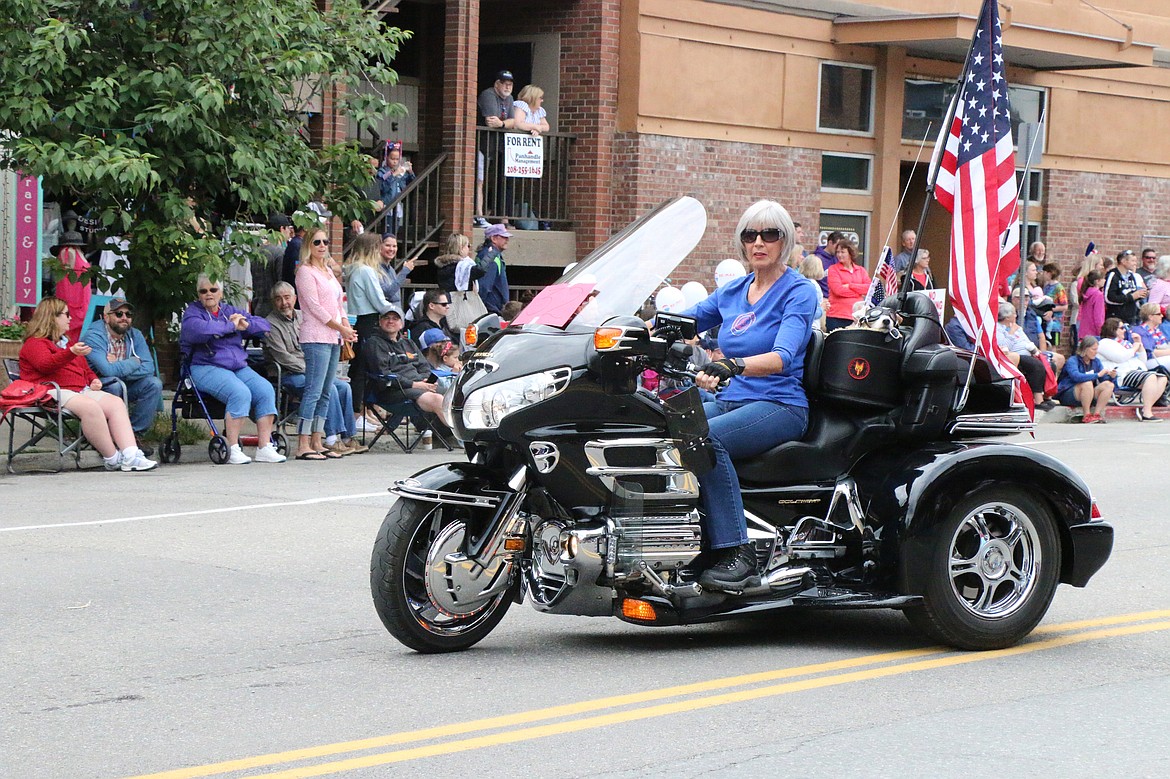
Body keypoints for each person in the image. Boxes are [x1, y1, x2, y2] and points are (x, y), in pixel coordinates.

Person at [678, 200, 818, 592]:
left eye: (769, 234)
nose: (759, 242)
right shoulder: (734, 290)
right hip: (735, 397)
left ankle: (737, 553)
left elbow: (782, 356)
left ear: (785, 241)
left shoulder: (798, 291)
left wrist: (731, 365)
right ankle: (688, 544)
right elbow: (681, 321)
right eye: (750, 235)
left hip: (780, 403)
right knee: (663, 421)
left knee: (705, 439)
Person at [18, 297, 157, 471]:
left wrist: (93, 379)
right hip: (50, 390)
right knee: (91, 408)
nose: (70, 318)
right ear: (52, 317)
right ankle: (112, 457)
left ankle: (131, 455)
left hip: (77, 390)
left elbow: (84, 367)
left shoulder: (65, 342)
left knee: (115, 403)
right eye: (66, 314)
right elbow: (46, 365)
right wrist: (70, 352)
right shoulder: (35, 343)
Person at [180, 274, 286, 464]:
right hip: (204, 366)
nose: (208, 294)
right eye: (203, 291)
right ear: (198, 294)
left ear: (220, 293)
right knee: (240, 393)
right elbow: (200, 330)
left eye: (213, 290)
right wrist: (230, 326)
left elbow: (264, 325)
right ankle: (232, 447)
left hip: (236, 366)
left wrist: (246, 324)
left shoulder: (229, 310)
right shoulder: (192, 313)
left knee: (265, 389)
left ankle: (264, 447)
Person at [264, 283, 367, 456]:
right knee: (331, 389)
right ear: (273, 302)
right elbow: (282, 357)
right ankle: (332, 439)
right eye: (278, 299)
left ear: (295, 298)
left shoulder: (303, 316)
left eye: (287, 298)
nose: (284, 303)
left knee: (344, 387)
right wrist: (313, 369)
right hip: (289, 373)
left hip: (312, 369)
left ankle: (348, 437)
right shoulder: (270, 324)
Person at [294, 228, 357, 460]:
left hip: (332, 336)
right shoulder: (304, 271)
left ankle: (317, 438)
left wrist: (344, 326)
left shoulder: (328, 271)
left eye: (325, 242)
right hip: (315, 335)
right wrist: (341, 327)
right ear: (308, 245)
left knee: (326, 391)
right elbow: (313, 306)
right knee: (313, 389)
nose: (322, 246)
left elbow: (339, 302)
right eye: (316, 242)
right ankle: (302, 442)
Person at [81, 297, 163, 452]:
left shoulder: (135, 335)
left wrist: (117, 366)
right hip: (97, 386)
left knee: (154, 384)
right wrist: (133, 362)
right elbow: (107, 371)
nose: (124, 318)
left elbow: (149, 367)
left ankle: (133, 434)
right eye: (118, 314)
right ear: (106, 317)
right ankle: (110, 438)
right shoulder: (94, 336)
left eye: (128, 314)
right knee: (114, 383)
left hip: (125, 383)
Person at [346, 232, 397, 428]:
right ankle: (358, 414)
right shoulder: (366, 271)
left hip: (360, 320)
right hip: (368, 321)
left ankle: (362, 412)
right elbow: (378, 301)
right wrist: (395, 312)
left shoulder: (354, 269)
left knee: (360, 368)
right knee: (363, 371)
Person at [362, 306, 445, 418]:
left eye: (395, 318)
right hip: (392, 391)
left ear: (401, 324)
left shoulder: (409, 343)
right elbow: (383, 373)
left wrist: (425, 381)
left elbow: (424, 366)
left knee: (454, 396)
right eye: (387, 318)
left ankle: (448, 434)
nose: (390, 321)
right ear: (380, 322)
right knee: (438, 400)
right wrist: (415, 384)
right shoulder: (374, 343)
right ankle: (458, 435)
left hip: (419, 385)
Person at [1098, 317, 1167, 421]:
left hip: (1136, 372)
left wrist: (1140, 346)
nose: (1125, 330)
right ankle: (1147, 413)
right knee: (1150, 377)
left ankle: (1146, 408)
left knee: (1162, 378)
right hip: (1121, 374)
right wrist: (1134, 348)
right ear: (1113, 329)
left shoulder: (1125, 343)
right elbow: (1120, 357)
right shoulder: (1105, 343)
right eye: (1121, 328)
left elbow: (1142, 361)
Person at [995, 301, 1054, 411]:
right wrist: (1011, 333)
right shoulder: (999, 328)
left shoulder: (1016, 327)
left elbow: (1025, 340)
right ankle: (1038, 400)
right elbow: (1004, 346)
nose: (1016, 316)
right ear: (1007, 317)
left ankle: (1046, 396)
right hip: (1015, 356)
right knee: (1035, 365)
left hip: (1028, 353)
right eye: (1014, 314)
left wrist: (1035, 351)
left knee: (1050, 364)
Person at [478, 69, 517, 217]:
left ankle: (501, 217)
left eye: (510, 84)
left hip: (498, 146)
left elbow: (513, 122)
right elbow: (490, 121)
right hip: (482, 144)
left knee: (501, 180)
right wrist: (503, 123)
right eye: (504, 84)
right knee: (479, 180)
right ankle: (479, 215)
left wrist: (502, 124)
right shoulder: (488, 95)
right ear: (496, 84)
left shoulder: (510, 99)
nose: (507, 87)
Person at [1055, 336, 1115, 424]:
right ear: (1085, 349)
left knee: (1109, 385)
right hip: (1069, 393)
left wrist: (1111, 376)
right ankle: (1086, 415)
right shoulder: (1073, 360)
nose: (1096, 352)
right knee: (1087, 383)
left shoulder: (1096, 361)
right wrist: (1097, 374)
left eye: (1096, 349)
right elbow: (1076, 377)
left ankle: (1097, 414)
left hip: (1088, 393)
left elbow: (1103, 379)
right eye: (1093, 349)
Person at [52, 231, 90, 345]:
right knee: (71, 333)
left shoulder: (69, 253)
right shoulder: (68, 252)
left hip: (77, 301)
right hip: (74, 301)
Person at [825, 238, 870, 331]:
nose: (839, 255)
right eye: (838, 252)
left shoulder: (861, 270)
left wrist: (850, 286)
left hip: (856, 316)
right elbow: (838, 290)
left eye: (843, 252)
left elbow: (869, 289)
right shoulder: (833, 269)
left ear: (850, 252)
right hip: (837, 316)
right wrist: (858, 292)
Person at [253, 214, 293, 318]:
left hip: (258, 307)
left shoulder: (257, 252)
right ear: (282, 229)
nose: (290, 232)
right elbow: (281, 284)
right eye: (288, 228)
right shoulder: (280, 252)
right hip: (275, 310)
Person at [376, 144, 413, 235]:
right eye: (392, 159)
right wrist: (394, 174)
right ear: (386, 157)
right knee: (387, 233)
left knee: (394, 233)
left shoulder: (401, 171)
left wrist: (410, 171)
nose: (395, 162)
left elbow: (412, 182)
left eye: (397, 159)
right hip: (386, 205)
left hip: (397, 205)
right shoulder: (382, 171)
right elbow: (383, 187)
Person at [1104, 249, 1147, 324]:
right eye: (1132, 261)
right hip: (1116, 318)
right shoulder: (1113, 275)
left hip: (1131, 317)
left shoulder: (1131, 275)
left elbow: (1133, 294)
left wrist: (1140, 294)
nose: (1135, 263)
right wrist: (1131, 297)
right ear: (1123, 261)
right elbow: (1108, 298)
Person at [477, 223, 512, 314]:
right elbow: (484, 286)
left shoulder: (488, 255)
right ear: (493, 239)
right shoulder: (490, 257)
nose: (507, 240)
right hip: (491, 310)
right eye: (503, 237)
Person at [376, 232, 415, 309]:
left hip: (397, 312)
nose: (391, 249)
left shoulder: (391, 270)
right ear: (379, 247)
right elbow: (388, 293)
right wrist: (404, 271)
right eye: (387, 245)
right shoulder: (376, 269)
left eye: (394, 246)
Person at [1132, 302, 1170, 372]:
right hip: (1149, 360)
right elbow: (1151, 353)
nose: (1162, 316)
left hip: (1163, 357)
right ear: (1150, 317)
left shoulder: (1157, 330)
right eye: (1159, 314)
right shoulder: (1140, 330)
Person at [797, 254, 827, 331]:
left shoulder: (800, 283)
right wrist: (822, 308)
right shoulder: (813, 286)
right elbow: (811, 312)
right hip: (812, 327)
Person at [1076, 270, 1106, 338]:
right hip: (1094, 333)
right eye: (1103, 278)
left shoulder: (1086, 292)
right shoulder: (1098, 295)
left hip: (1083, 331)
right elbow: (1098, 317)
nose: (1105, 280)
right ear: (1097, 281)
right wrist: (1101, 332)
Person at [814, 230, 844, 296]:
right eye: (837, 246)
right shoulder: (817, 259)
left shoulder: (838, 258)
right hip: (824, 298)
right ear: (830, 243)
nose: (838, 249)